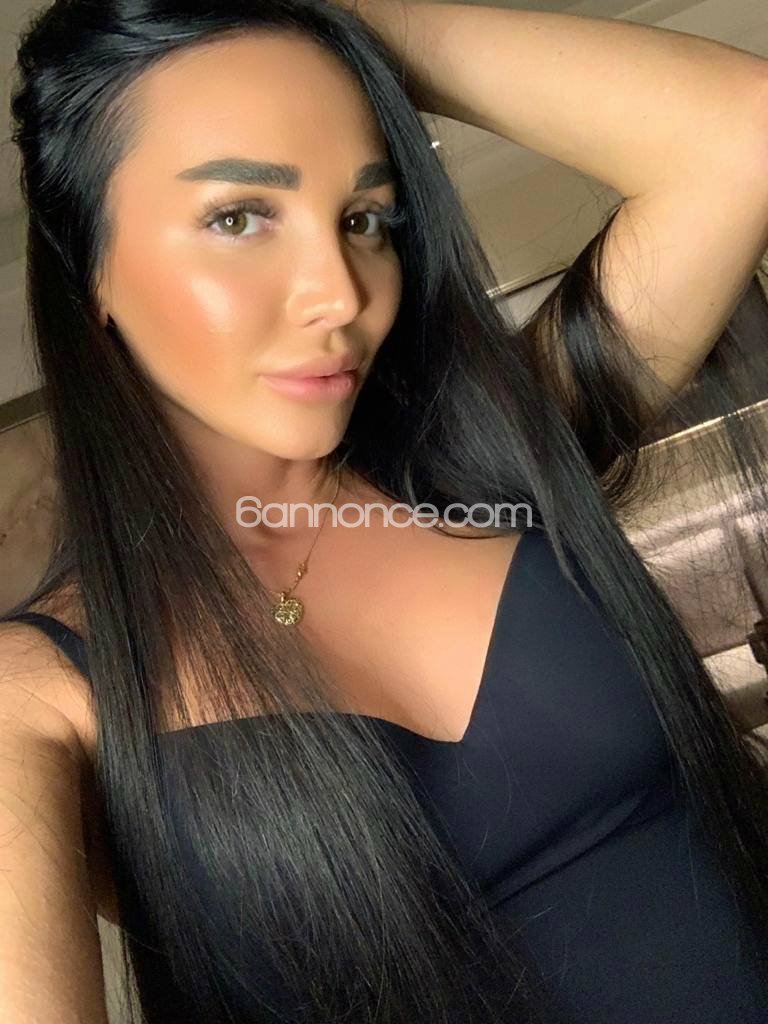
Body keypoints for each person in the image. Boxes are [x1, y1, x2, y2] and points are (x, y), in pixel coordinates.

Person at [2, 0, 768, 1021]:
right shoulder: (39, 697)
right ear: (90, 267)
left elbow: (742, 132)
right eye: (238, 217)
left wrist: (322, 17)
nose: (340, 293)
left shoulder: (495, 465)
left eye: (365, 219)